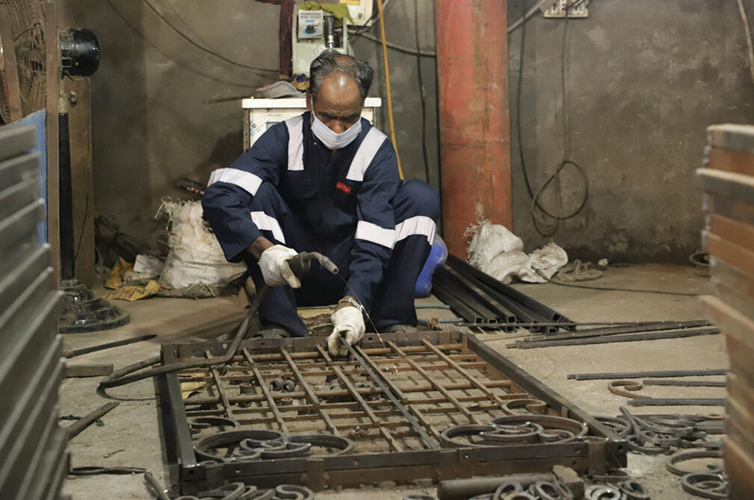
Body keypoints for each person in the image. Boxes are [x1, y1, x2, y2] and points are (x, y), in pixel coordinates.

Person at [202, 51, 440, 356]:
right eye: (327, 117)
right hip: (294, 268)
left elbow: (375, 236)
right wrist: (265, 251)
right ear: (309, 102)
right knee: (257, 194)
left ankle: (389, 318)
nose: (337, 129)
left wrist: (353, 302)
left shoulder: (375, 150)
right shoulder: (284, 138)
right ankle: (279, 321)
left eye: (348, 118)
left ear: (361, 107)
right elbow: (220, 195)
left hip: (353, 266)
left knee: (420, 198)